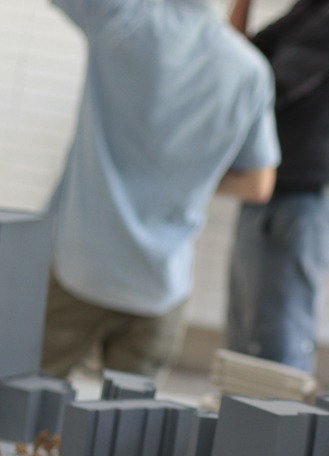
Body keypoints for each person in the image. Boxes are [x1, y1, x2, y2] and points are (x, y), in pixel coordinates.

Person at [40, 0, 279, 380]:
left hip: (81, 267)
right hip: (161, 284)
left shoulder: (119, 18)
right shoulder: (249, 71)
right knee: (132, 415)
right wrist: (188, 174)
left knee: (23, 400)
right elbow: (258, 183)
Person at [224, 0, 329, 373]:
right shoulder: (319, 5)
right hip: (271, 196)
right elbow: (241, 57)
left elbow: (268, 84)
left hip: (301, 205)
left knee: (276, 360)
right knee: (240, 352)